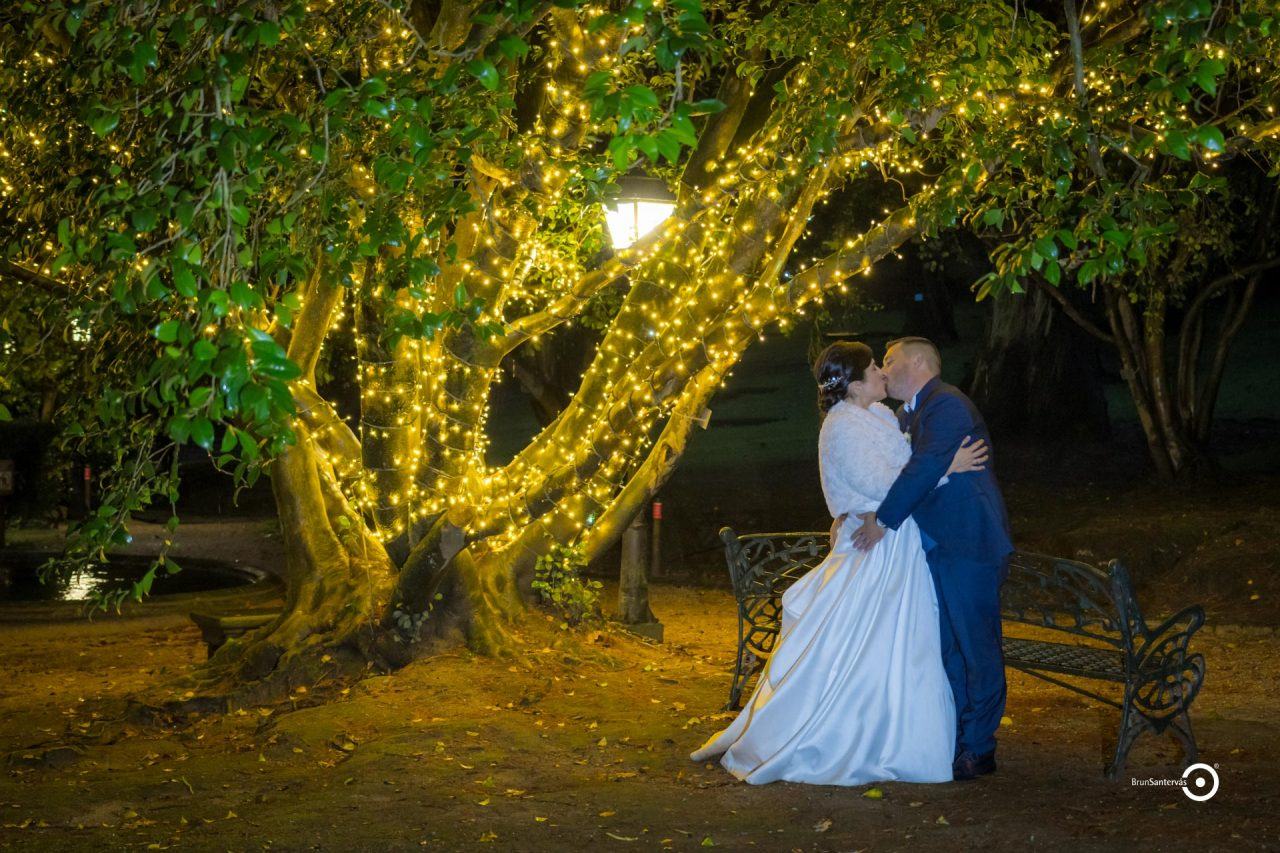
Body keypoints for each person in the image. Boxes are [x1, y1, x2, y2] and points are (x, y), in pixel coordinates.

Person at [690, 341, 988, 785]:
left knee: (906, 643)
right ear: (852, 384)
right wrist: (950, 466)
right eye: (872, 367)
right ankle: (844, 735)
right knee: (864, 642)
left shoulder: (883, 415)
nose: (881, 373)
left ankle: (901, 732)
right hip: (874, 549)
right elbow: (883, 482)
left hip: (895, 541)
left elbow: (907, 469)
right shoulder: (841, 424)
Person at [849, 336, 1014, 781]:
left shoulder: (948, 405)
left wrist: (881, 522)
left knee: (976, 648)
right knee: (947, 649)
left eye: (890, 360)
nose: (883, 370)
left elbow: (921, 469)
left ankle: (980, 748)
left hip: (970, 544)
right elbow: (908, 469)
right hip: (937, 548)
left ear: (920, 362)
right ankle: (958, 738)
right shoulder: (906, 413)